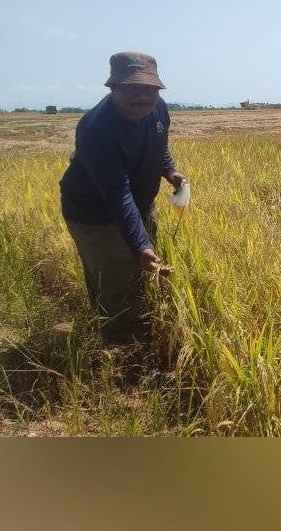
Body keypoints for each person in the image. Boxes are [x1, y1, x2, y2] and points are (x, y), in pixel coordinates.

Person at [59, 52, 186, 348]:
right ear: (113, 87)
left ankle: (136, 324)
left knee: (141, 269)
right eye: (131, 88)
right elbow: (118, 194)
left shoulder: (158, 110)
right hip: (95, 212)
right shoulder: (96, 129)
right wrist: (140, 244)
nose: (142, 97)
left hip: (140, 203)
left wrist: (170, 171)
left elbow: (159, 146)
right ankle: (120, 349)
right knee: (113, 277)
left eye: (149, 89)